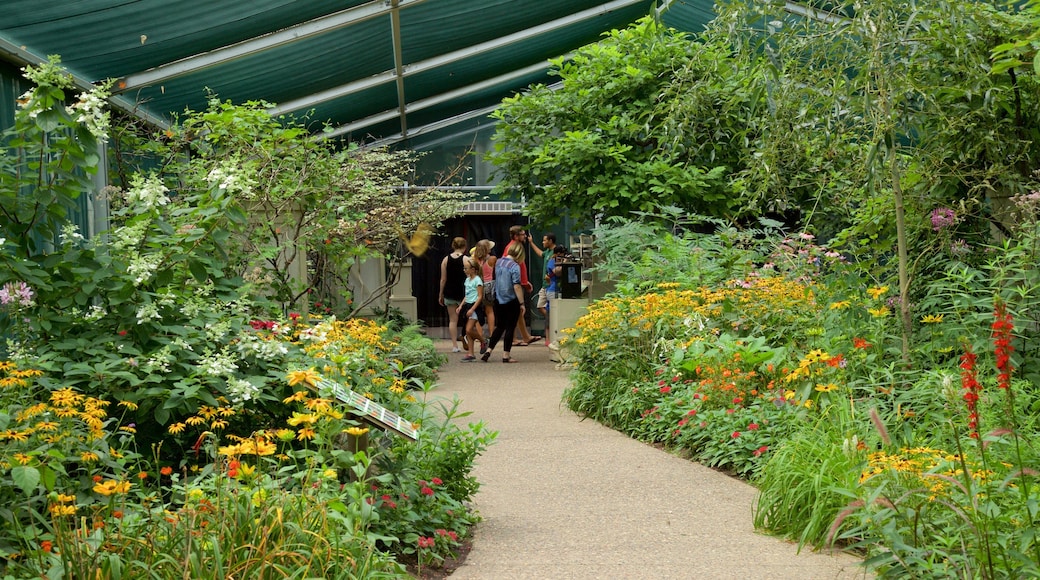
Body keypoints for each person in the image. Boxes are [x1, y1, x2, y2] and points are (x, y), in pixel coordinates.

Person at [482, 242, 525, 363]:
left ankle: (488, 350)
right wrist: (522, 303)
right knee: (510, 327)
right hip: (511, 299)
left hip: (498, 299)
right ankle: (506, 355)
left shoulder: (498, 262)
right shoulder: (514, 266)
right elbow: (516, 286)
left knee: (500, 326)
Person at [502, 226, 539, 346]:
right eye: (522, 234)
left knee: (517, 313)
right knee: (514, 312)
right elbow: (512, 267)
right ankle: (514, 338)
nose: (525, 236)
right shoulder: (512, 248)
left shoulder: (515, 247)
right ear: (516, 236)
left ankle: (524, 336)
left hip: (515, 283)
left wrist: (525, 281)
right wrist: (523, 282)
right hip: (513, 284)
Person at [438, 237, 469, 352]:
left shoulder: (445, 260)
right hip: (463, 293)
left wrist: (441, 293)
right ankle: (468, 341)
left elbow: (443, 279)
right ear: (464, 246)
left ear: (453, 246)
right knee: (469, 319)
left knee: (453, 320)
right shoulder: (466, 259)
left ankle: (455, 345)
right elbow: (470, 277)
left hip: (450, 292)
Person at [456, 259, 485, 361]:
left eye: (466, 268)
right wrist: (461, 306)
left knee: (468, 329)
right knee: (468, 331)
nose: (464, 270)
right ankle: (471, 354)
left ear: (473, 269)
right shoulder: (467, 280)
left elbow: (480, 297)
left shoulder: (478, 280)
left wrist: (472, 309)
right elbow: (467, 295)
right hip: (468, 306)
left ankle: (483, 340)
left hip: (475, 307)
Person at [539, 244, 566, 347]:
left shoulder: (558, 261)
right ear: (558, 253)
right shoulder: (551, 261)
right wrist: (564, 263)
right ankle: (547, 337)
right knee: (549, 313)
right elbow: (557, 272)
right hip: (552, 290)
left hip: (558, 289)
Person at [471, 239, 496, 346]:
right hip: (489, 285)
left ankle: (480, 334)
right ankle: (492, 334)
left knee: (476, 310)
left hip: (478, 286)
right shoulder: (492, 259)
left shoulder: (474, 260)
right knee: (489, 311)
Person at [530, 233, 557, 327]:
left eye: (545, 240)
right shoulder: (547, 252)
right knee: (540, 306)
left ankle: (553, 322)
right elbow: (540, 253)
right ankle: (552, 320)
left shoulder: (555, 252)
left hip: (551, 285)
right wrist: (531, 242)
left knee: (552, 307)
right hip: (545, 285)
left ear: (550, 241)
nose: (543, 242)